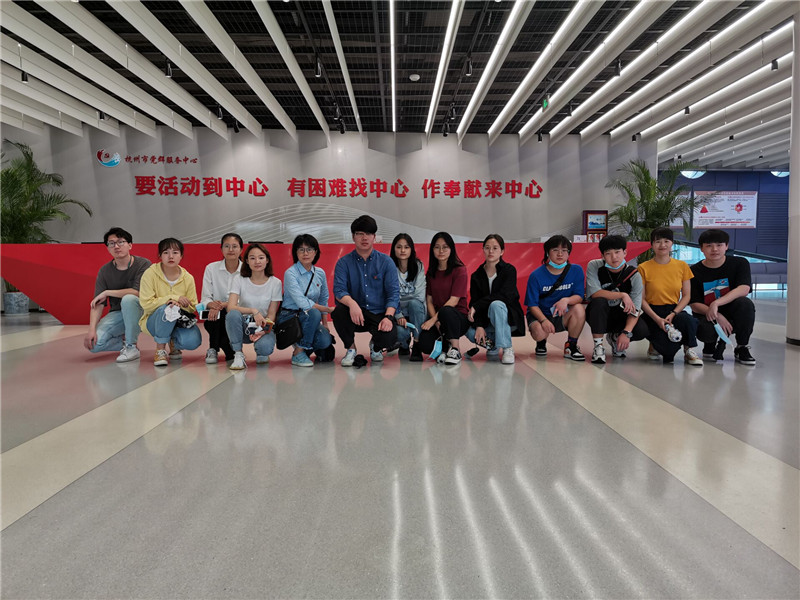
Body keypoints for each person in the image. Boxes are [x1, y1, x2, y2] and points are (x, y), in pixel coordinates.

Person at [332, 215, 399, 366]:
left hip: (378, 313)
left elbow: (393, 293)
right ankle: (351, 349)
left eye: (368, 233)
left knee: (390, 338)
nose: (364, 238)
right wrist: (352, 304)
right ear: (353, 237)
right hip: (355, 314)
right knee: (338, 312)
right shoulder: (343, 263)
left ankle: (376, 346)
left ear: (374, 237)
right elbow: (339, 290)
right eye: (359, 233)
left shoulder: (386, 262)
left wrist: (388, 317)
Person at [689, 229, 756, 365]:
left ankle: (742, 347)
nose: (714, 249)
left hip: (733, 311)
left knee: (745, 304)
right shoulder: (693, 271)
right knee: (706, 332)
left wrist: (716, 303)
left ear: (726, 246)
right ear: (702, 248)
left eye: (719, 245)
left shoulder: (739, 263)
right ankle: (710, 344)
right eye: (709, 245)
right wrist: (717, 315)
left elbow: (744, 288)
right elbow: (694, 303)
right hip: (707, 314)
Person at [84, 227, 151, 363]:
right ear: (107, 248)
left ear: (130, 245)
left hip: (142, 311)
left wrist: (107, 292)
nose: (116, 246)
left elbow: (138, 292)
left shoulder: (143, 264)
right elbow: (98, 303)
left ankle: (131, 346)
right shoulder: (104, 271)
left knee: (128, 299)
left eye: (121, 242)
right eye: (111, 243)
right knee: (94, 344)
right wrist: (91, 330)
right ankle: (124, 342)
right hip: (118, 314)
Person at [638, 227, 703, 366]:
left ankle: (689, 350)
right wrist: (656, 318)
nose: (662, 245)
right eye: (658, 241)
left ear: (672, 243)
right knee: (667, 353)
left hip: (673, 310)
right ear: (652, 244)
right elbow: (641, 299)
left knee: (688, 321)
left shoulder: (682, 266)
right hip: (652, 311)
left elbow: (687, 295)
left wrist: (674, 313)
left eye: (666, 241)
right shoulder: (643, 268)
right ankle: (654, 345)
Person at [138, 238, 202, 367]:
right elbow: (146, 304)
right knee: (167, 309)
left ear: (181, 256)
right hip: (153, 321)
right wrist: (171, 298)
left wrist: (181, 304)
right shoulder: (150, 274)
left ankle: (173, 342)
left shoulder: (188, 278)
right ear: (160, 255)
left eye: (175, 252)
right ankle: (160, 350)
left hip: (178, 321)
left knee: (193, 341)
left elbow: (193, 307)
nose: (171, 256)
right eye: (166, 252)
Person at [585, 234, 648, 364]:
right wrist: (622, 295)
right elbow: (595, 293)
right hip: (600, 315)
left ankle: (615, 337)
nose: (614, 257)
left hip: (621, 316)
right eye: (608, 253)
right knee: (598, 301)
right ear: (602, 255)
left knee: (642, 330)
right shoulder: (594, 266)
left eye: (617, 252)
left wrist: (626, 333)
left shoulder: (634, 275)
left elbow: (635, 309)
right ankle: (598, 346)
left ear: (625, 253)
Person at [465, 234, 526, 365]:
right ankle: (492, 346)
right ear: (483, 250)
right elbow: (475, 301)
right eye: (487, 248)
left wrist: (478, 305)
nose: (491, 251)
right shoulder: (476, 275)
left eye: (495, 248)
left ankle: (507, 347)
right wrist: (479, 325)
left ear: (502, 251)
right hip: (487, 322)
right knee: (467, 329)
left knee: (496, 304)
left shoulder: (509, 270)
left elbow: (505, 296)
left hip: (507, 319)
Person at [525, 235, 586, 361]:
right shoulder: (536, 275)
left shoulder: (576, 270)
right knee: (539, 333)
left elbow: (579, 296)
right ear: (548, 252)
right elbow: (532, 305)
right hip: (541, 315)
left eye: (564, 250)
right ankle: (541, 342)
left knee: (579, 309)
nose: (560, 254)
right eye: (555, 250)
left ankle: (571, 346)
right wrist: (543, 320)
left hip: (563, 314)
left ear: (569, 253)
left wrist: (566, 300)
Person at [278, 234, 335, 367]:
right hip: (290, 315)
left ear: (315, 252)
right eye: (301, 249)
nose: (305, 253)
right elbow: (302, 303)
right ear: (295, 252)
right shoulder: (291, 273)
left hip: (309, 317)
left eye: (309, 249)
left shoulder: (319, 273)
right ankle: (299, 352)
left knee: (325, 340)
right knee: (313, 312)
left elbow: (323, 298)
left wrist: (325, 323)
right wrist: (327, 310)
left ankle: (304, 347)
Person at [417, 232, 470, 365]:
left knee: (446, 310)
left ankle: (455, 349)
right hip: (439, 319)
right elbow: (429, 300)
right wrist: (435, 322)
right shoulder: (431, 273)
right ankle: (445, 347)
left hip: (457, 318)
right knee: (425, 344)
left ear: (451, 249)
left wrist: (434, 319)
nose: (441, 251)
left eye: (445, 247)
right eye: (437, 247)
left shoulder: (460, 270)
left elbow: (454, 301)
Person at [226, 243, 281, 370]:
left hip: (262, 326)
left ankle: (261, 351)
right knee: (232, 314)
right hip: (243, 326)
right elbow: (230, 307)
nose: (257, 261)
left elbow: (272, 314)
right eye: (252, 258)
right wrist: (253, 311)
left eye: (261, 258)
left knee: (264, 348)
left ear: (267, 260)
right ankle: (238, 354)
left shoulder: (275, 283)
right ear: (246, 261)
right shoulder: (239, 279)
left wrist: (263, 331)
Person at [200, 233, 242, 364]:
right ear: (221, 249)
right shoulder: (211, 268)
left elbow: (246, 299)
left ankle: (214, 347)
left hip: (236, 313)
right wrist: (213, 305)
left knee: (223, 314)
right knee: (215, 316)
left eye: (235, 246)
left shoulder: (247, 270)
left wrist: (224, 305)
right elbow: (205, 298)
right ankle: (220, 350)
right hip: (215, 314)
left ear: (241, 249)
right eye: (227, 246)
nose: (231, 250)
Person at [389, 233, 427, 359]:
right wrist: (398, 314)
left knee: (414, 303)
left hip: (415, 310)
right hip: (398, 311)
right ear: (394, 249)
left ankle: (417, 344)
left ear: (412, 249)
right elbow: (389, 295)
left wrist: (401, 301)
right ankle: (404, 344)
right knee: (400, 333)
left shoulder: (418, 265)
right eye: (399, 247)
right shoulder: (389, 267)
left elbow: (420, 295)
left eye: (406, 247)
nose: (403, 250)